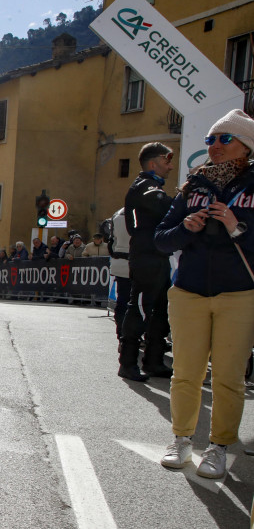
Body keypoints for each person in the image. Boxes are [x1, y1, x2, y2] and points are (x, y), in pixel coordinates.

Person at [155, 109, 254, 478]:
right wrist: (185, 227)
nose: (214, 146)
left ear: (246, 145)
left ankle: (219, 445)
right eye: (210, 139)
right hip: (188, 291)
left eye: (224, 139)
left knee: (229, 377)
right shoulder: (194, 185)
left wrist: (235, 225)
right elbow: (161, 240)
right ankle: (181, 439)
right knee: (185, 373)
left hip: (239, 293)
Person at [118, 142, 175, 382]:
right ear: (154, 163)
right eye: (167, 160)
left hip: (159, 255)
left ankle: (154, 360)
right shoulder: (144, 186)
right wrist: (186, 197)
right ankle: (128, 362)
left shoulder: (153, 186)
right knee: (140, 307)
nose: (171, 166)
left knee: (161, 309)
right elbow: (166, 207)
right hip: (146, 256)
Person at [107, 207, 131, 340]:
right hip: (138, 262)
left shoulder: (117, 214)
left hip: (119, 262)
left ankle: (121, 333)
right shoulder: (144, 210)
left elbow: (111, 243)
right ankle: (132, 335)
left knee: (122, 299)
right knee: (139, 302)